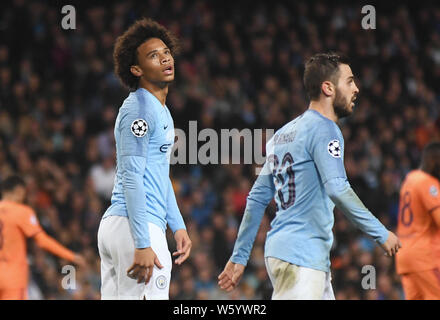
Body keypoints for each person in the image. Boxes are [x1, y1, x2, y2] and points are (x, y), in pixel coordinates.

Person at [218, 52, 401, 299]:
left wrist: (239, 257)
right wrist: (381, 232)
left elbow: (257, 198)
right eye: (349, 81)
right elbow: (337, 188)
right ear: (328, 87)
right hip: (301, 256)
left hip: (295, 254)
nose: (356, 88)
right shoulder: (326, 129)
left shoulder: (281, 135)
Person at [97, 18, 191, 300]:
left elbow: (159, 176)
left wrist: (178, 225)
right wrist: (142, 242)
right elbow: (132, 177)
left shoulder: (159, 110)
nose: (164, 58)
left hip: (124, 226)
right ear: (136, 69)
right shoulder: (139, 111)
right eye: (153, 55)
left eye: (166, 52)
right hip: (136, 227)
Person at [0, 175, 86, 300]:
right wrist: (71, 256)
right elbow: (42, 241)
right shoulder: (22, 211)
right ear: (19, 191)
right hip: (13, 278)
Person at [395, 142, 440, 299]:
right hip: (426, 257)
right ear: (434, 160)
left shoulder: (410, 179)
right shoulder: (428, 184)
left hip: (406, 257)